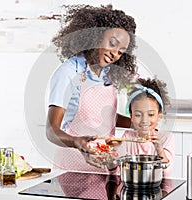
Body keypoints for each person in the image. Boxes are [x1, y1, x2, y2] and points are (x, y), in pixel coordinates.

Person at [46, 4, 137, 171]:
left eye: (121, 52)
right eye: (112, 44)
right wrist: (76, 142)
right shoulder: (68, 73)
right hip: (73, 165)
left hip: (103, 161)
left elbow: (103, 116)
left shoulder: (107, 74)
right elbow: (52, 130)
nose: (114, 54)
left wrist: (138, 123)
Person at [121, 77, 175, 177]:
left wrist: (159, 149)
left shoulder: (166, 138)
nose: (144, 120)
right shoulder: (127, 137)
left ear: (159, 116)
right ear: (131, 116)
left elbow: (167, 173)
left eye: (150, 115)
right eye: (138, 115)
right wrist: (113, 151)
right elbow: (119, 170)